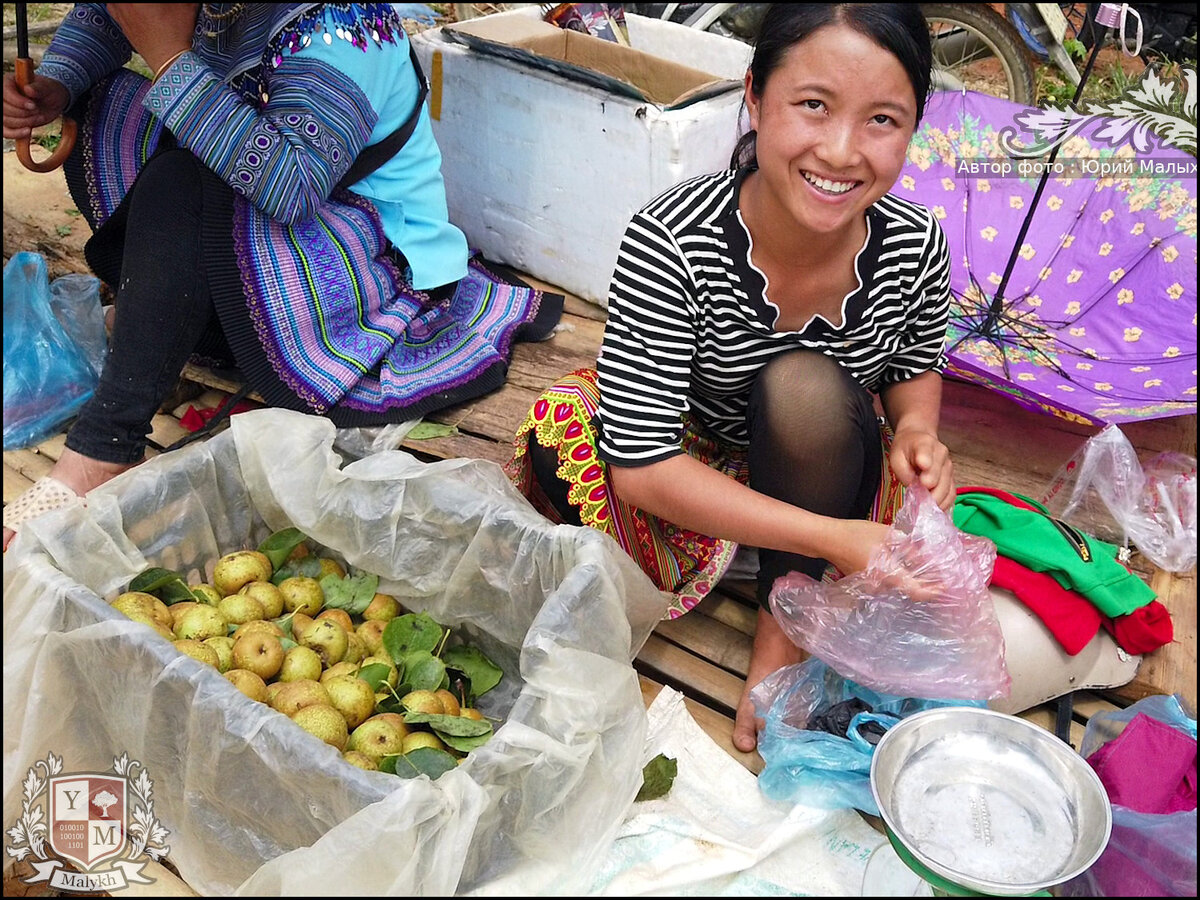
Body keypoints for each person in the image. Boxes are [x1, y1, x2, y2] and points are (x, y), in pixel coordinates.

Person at [504, 4, 955, 754]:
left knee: (803, 388)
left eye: (882, 120)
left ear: (913, 127)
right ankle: (800, 566)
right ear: (754, 94)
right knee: (564, 434)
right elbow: (644, 470)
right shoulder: (670, 238)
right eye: (812, 106)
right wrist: (837, 540)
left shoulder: (916, 241)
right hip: (699, 460)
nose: (842, 152)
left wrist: (915, 430)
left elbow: (915, 363)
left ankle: (782, 621)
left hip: (828, 463)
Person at [2, 3, 561, 551]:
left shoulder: (344, 22)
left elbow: (290, 186)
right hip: (261, 246)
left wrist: (169, 56)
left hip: (364, 257)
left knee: (186, 178)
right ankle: (165, 322)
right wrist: (57, 84)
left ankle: (104, 446)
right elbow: (114, 14)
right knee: (108, 103)